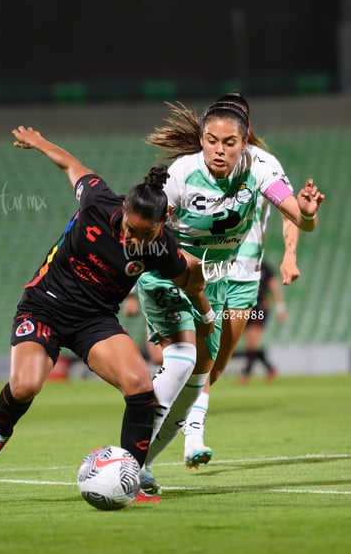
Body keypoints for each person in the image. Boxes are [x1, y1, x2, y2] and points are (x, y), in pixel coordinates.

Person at [0, 126, 214, 503]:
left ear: (162, 225)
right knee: (25, 386)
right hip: (44, 304)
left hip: (94, 320)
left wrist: (205, 312)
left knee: (140, 387)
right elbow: (71, 165)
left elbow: (190, 279)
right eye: (131, 229)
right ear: (124, 211)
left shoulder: (160, 248)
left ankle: (128, 477)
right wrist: (38, 143)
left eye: (145, 234)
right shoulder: (98, 201)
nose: (134, 240)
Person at [136, 95, 324, 494]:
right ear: (203, 137)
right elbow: (145, 228)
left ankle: (145, 460)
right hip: (174, 273)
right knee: (184, 360)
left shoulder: (262, 166)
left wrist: (304, 220)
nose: (219, 149)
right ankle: (139, 452)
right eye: (211, 140)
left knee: (208, 369)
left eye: (229, 142)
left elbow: (299, 218)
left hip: (226, 278)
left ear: (244, 138)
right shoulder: (182, 173)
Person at [181, 92, 300, 466]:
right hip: (212, 269)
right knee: (204, 357)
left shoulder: (263, 165)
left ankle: (183, 414)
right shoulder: (197, 166)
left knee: (217, 365)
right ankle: (191, 435)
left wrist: (291, 255)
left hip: (247, 275)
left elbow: (289, 211)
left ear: (244, 131)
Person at [237, 260, 287, 384]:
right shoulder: (242, 265)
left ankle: (246, 374)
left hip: (260, 308)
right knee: (250, 344)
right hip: (246, 307)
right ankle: (270, 368)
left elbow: (275, 288)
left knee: (253, 342)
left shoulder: (265, 268)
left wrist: (281, 308)